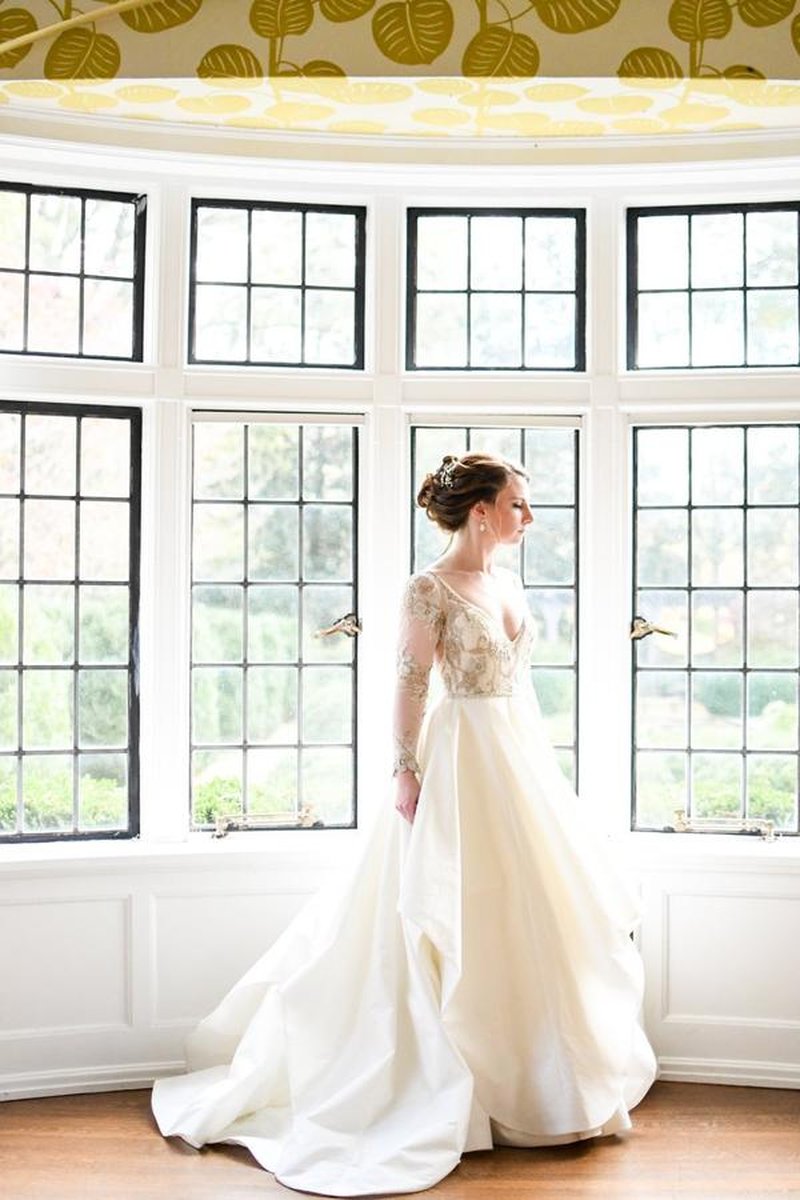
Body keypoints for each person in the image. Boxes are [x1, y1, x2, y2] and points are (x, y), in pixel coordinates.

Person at [151, 452, 657, 1196]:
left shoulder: (508, 582)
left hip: (517, 759)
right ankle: (447, 1076)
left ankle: (542, 1084)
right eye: (519, 503)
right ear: (481, 510)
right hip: (459, 762)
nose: (529, 516)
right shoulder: (428, 588)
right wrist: (403, 767)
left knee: (533, 910)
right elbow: (410, 680)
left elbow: (517, 687)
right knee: (452, 909)